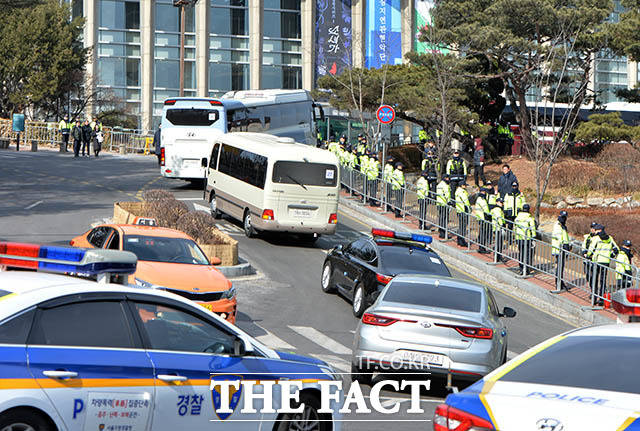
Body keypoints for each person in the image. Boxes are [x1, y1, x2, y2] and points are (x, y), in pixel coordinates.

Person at [589, 227, 616, 306]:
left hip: (596, 262)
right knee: (603, 281)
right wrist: (610, 255)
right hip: (606, 262)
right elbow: (616, 249)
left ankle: (593, 299)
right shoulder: (610, 238)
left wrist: (587, 255)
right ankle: (601, 299)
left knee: (595, 280)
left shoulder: (596, 238)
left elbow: (591, 249)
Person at [514, 204, 536, 275]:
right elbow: (533, 229)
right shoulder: (530, 219)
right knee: (527, 254)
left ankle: (521, 267)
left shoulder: (517, 217)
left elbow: (515, 228)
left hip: (519, 238)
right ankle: (525, 270)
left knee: (521, 253)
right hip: (527, 238)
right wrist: (534, 237)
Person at [552, 210, 571, 290]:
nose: (564, 219)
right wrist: (565, 245)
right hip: (559, 250)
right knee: (559, 267)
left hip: (563, 249)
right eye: (563, 217)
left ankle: (560, 282)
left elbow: (565, 237)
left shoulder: (563, 225)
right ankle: (558, 284)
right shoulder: (558, 225)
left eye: (565, 217)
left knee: (561, 267)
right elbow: (559, 238)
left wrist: (568, 244)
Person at [582, 222, 599, 286]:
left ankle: (594, 290)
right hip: (586, 258)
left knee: (594, 276)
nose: (592, 229)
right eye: (591, 227)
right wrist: (583, 253)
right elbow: (584, 245)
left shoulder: (598, 237)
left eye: (594, 228)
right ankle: (592, 287)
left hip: (594, 259)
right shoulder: (588, 237)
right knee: (587, 275)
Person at [474, 188, 490, 253]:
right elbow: (485, 210)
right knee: (483, 233)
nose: (484, 193)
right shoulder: (482, 200)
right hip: (483, 218)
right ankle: (482, 248)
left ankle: (481, 247)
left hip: (480, 217)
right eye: (483, 192)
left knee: (482, 233)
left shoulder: (479, 199)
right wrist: (489, 216)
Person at [455, 182, 470, 247]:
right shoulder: (462, 192)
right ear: (462, 185)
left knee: (461, 225)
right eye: (465, 185)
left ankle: (459, 240)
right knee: (463, 226)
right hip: (463, 210)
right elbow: (466, 201)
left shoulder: (457, 191)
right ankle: (461, 240)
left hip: (459, 210)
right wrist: (469, 208)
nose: (466, 187)